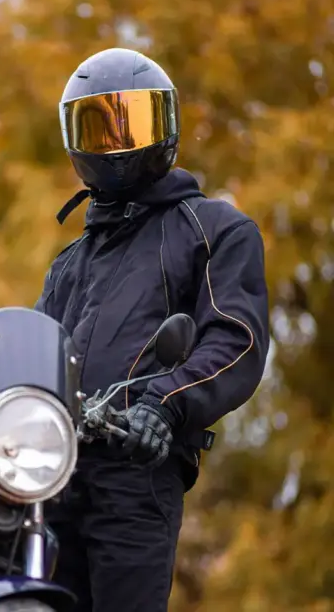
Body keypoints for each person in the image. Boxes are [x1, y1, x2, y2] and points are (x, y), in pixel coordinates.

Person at [36, 48, 270, 611]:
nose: (115, 144)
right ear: (74, 140)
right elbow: (34, 355)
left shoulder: (213, 228)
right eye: (98, 126)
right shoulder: (69, 261)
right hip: (47, 481)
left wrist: (163, 404)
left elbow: (237, 339)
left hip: (136, 471)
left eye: (131, 122)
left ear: (166, 126)